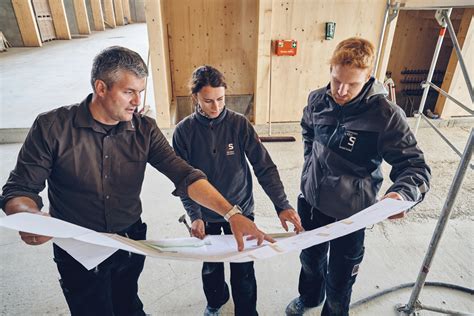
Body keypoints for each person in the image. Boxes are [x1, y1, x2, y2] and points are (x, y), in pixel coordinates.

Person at [1, 46, 273, 316]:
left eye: (141, 92)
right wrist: (31, 217)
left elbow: (184, 174)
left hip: (129, 241)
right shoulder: (52, 127)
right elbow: (19, 190)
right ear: (101, 87)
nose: (138, 102)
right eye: (129, 92)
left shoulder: (145, 129)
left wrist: (231, 213)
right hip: (78, 247)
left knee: (127, 302)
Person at [285, 37, 431, 316]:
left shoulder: (386, 115)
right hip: (311, 204)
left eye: (351, 84)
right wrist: (309, 165)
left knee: (340, 281)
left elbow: (416, 168)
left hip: (350, 215)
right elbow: (307, 131)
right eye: (336, 79)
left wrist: (402, 195)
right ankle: (309, 298)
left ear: (367, 77)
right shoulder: (317, 99)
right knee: (309, 261)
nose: (340, 90)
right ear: (331, 69)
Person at [172, 65, 303, 316]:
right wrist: (195, 215)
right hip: (207, 214)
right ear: (194, 98)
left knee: (243, 267)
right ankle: (216, 301)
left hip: (242, 209)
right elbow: (183, 181)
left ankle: (246, 312)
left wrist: (282, 204)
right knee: (211, 265)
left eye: (221, 99)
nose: (215, 107)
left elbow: (264, 167)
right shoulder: (183, 132)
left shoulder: (239, 124)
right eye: (208, 101)